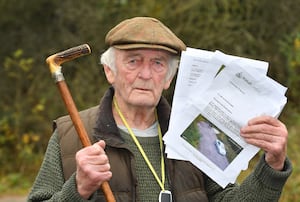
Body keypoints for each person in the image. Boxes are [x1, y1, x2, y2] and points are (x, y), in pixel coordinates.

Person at [28, 16, 292, 202]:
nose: (146, 74)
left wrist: (272, 166)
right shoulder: (71, 134)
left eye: (158, 63)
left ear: (168, 78)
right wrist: (78, 189)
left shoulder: (196, 133)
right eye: (133, 61)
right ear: (110, 70)